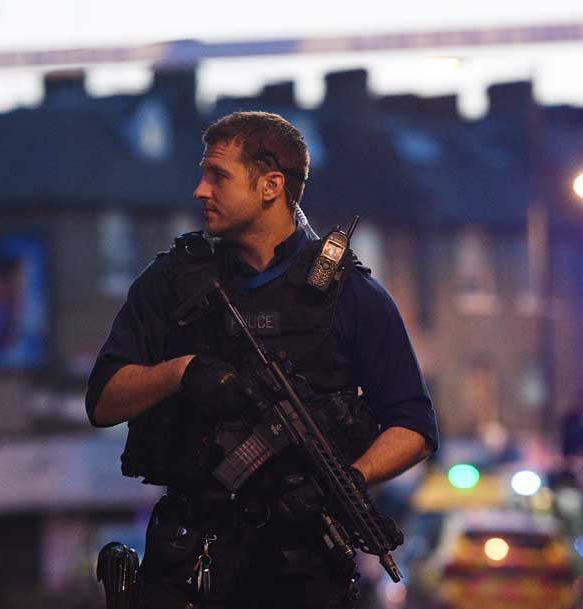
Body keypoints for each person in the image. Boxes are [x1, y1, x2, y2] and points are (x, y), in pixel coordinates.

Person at [87, 111, 438, 609]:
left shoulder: (352, 297)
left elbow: (415, 426)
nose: (199, 191)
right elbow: (103, 401)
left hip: (302, 563)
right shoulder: (171, 285)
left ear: (271, 185)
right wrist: (182, 373)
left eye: (218, 176)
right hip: (194, 558)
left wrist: (347, 482)